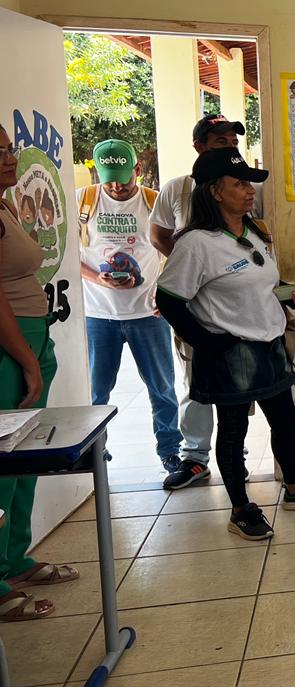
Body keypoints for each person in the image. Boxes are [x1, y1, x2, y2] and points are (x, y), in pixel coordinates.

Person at [156, 147, 295, 541]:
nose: (250, 190)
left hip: (268, 344)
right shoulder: (196, 244)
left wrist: (290, 296)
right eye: (239, 184)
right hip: (230, 350)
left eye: (250, 183)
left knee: (285, 419)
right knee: (233, 430)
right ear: (215, 191)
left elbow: (261, 286)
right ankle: (240, 510)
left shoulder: (255, 232)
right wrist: (206, 342)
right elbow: (168, 300)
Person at [0, 123, 77, 620]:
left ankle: (14, 559)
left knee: (25, 457)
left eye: (10, 148)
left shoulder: (6, 204)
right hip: (10, 346)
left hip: (32, 334)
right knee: (3, 463)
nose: (10, 158)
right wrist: (26, 360)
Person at [149, 114, 245, 490]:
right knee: (196, 380)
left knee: (239, 381)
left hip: (236, 305)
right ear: (199, 147)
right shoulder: (178, 189)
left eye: (233, 142)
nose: (230, 148)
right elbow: (158, 235)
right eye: (221, 142)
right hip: (192, 305)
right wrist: (188, 271)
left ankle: (234, 456)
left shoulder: (245, 187)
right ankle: (195, 458)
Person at [77, 139, 182, 475]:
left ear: (137, 169)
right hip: (98, 315)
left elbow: (179, 253)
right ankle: (97, 451)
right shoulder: (83, 201)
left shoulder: (155, 202)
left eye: (123, 179)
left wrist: (167, 297)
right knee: (96, 393)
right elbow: (67, 258)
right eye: (109, 180)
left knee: (162, 388)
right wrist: (97, 278)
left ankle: (170, 450)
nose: (117, 187)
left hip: (148, 314)